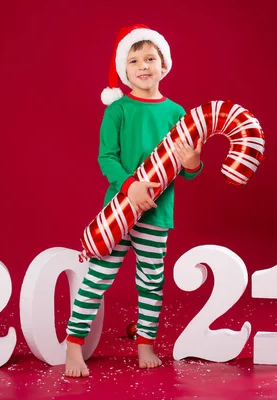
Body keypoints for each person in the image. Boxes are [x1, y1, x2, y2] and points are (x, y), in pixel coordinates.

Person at [65, 24, 203, 378]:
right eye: (134, 60)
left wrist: (192, 164)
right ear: (124, 70)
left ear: (164, 65)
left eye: (150, 58)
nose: (143, 66)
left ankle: (145, 344)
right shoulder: (118, 112)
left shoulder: (176, 114)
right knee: (98, 277)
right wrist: (131, 186)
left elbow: (185, 169)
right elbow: (106, 158)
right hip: (119, 212)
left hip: (158, 216)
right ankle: (74, 345)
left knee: (151, 280)